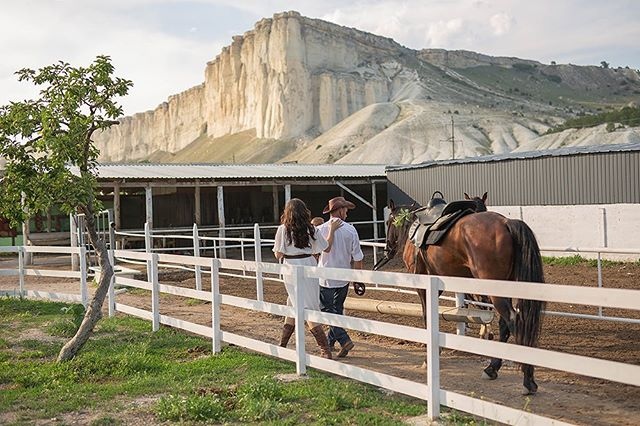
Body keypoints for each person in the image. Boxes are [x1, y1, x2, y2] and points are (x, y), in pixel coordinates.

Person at [272, 198, 341, 359]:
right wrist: (331, 231)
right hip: (309, 265)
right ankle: (283, 343)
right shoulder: (311, 229)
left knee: (303, 305)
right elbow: (326, 247)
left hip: (290, 267)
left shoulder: (283, 229)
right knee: (295, 302)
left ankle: (324, 348)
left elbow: (278, 254)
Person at [317, 196, 364, 358]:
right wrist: (358, 279)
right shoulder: (351, 230)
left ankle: (344, 340)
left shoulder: (321, 229)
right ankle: (330, 343)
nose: (347, 213)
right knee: (337, 311)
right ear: (340, 210)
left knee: (327, 311)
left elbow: (318, 252)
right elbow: (358, 257)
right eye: (345, 210)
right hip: (343, 278)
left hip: (325, 277)